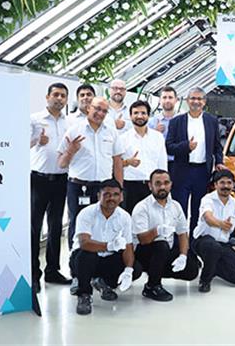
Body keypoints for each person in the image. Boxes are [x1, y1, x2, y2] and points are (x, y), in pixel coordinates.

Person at [58, 96, 124, 293]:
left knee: (104, 228)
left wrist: (119, 190)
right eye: (97, 109)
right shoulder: (74, 130)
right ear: (88, 108)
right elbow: (61, 163)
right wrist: (71, 150)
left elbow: (118, 162)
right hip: (79, 187)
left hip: (104, 189)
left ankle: (99, 275)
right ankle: (77, 275)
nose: (100, 113)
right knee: (77, 229)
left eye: (104, 111)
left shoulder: (111, 132)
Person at [69, 180, 142, 315]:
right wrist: (109, 246)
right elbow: (84, 243)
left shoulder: (125, 217)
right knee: (84, 255)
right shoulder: (86, 213)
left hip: (108, 259)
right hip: (86, 259)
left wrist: (128, 270)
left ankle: (103, 283)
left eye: (115, 194)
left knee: (135, 268)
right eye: (107, 194)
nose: (111, 198)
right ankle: (84, 294)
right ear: (99, 196)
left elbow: (128, 246)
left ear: (121, 197)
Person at [132, 169, 200, 301]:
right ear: (150, 185)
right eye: (157, 183)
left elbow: (182, 233)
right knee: (161, 244)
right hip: (144, 252)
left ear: (171, 184)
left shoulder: (176, 206)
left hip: (164, 251)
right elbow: (142, 239)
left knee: (192, 269)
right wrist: (157, 231)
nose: (162, 187)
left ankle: (156, 272)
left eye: (166, 183)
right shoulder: (142, 207)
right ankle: (152, 286)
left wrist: (183, 256)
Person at [29, 83, 72, 292]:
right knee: (34, 227)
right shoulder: (35, 119)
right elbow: (18, 143)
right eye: (56, 94)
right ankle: (33, 274)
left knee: (56, 227)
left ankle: (52, 271)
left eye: (63, 96)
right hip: (38, 179)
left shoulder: (69, 122)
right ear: (47, 97)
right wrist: (37, 139)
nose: (59, 99)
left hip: (61, 179)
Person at [166, 87, 225, 231]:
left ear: (204, 102)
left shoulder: (211, 121)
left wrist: (219, 162)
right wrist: (186, 146)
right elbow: (168, 147)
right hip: (181, 171)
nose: (196, 102)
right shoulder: (176, 121)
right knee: (179, 210)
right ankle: (178, 247)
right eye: (192, 98)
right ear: (187, 101)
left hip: (202, 171)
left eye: (199, 99)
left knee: (198, 211)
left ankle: (193, 246)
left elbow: (217, 146)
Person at [192, 170, 235, 293]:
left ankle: (213, 268)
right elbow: (208, 217)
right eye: (222, 183)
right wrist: (221, 224)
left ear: (233, 185)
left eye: (229, 183)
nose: (226, 186)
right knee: (213, 247)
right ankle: (205, 280)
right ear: (215, 185)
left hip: (223, 244)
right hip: (203, 241)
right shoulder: (207, 199)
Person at [120, 100, 169, 213]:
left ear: (148, 115)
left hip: (152, 186)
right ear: (130, 116)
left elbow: (162, 163)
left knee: (153, 220)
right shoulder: (123, 138)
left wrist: (164, 185)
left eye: (143, 113)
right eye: (136, 113)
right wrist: (128, 162)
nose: (139, 116)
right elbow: (116, 164)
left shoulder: (157, 137)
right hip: (130, 185)